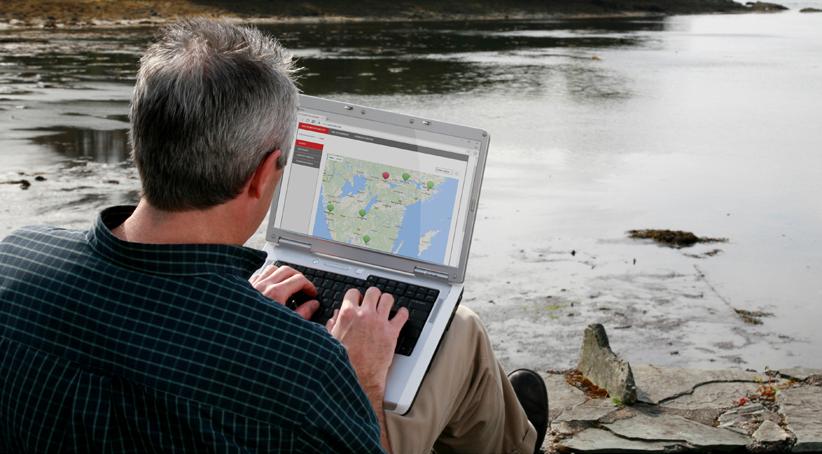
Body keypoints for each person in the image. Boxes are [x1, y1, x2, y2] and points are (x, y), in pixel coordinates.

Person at [0, 19, 548, 453]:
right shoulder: (303, 369)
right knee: (460, 330)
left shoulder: (13, 262)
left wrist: (243, 313)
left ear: (139, 139)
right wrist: (357, 377)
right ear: (264, 174)